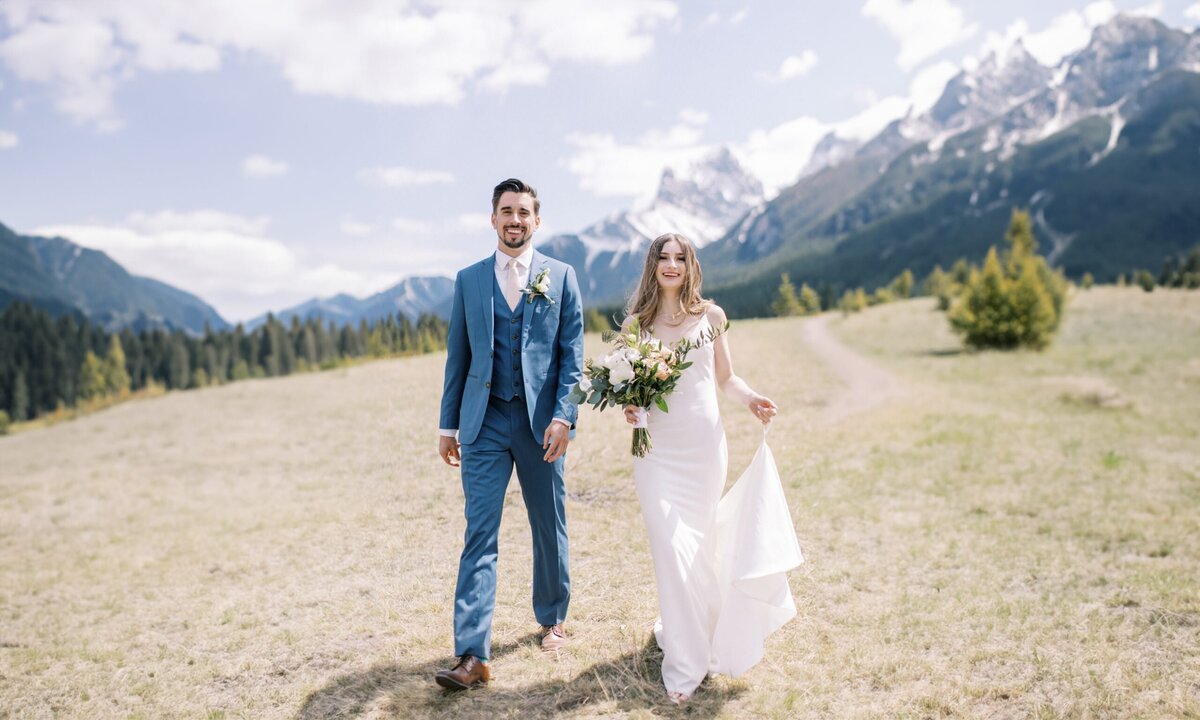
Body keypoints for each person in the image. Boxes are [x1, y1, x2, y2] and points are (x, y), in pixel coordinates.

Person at [621, 232, 797, 705]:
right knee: (668, 546)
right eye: (664, 257)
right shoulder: (638, 324)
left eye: (680, 257)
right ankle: (683, 664)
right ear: (653, 266)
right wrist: (631, 411)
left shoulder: (711, 317)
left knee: (697, 551)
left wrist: (751, 398)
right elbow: (632, 394)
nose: (672, 265)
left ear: (691, 264)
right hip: (656, 452)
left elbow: (725, 378)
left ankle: (697, 634)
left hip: (703, 452)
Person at [435, 178, 585, 690]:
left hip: (542, 424)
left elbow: (572, 356)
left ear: (536, 220)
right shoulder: (469, 280)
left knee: (549, 523)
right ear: (493, 218)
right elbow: (458, 356)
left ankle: (553, 619)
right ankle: (472, 655)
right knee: (479, 534)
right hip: (484, 423)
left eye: (524, 212)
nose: (515, 219)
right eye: (506, 211)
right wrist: (448, 424)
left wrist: (564, 416)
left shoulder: (561, 276)